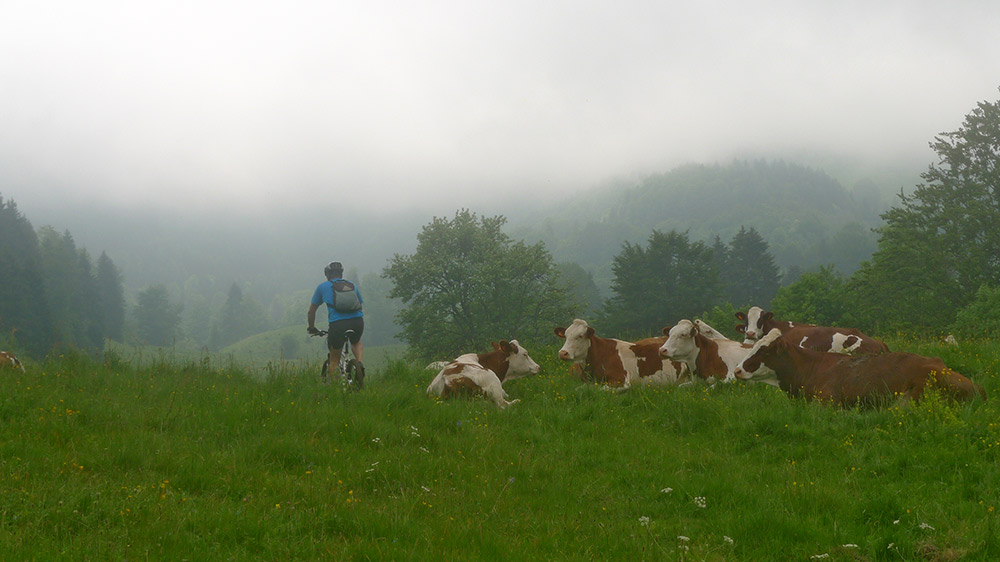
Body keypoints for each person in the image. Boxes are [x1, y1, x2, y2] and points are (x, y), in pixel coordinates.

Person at [307, 261, 364, 381]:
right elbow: (360, 306)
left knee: (334, 359)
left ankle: (336, 387)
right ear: (341, 274)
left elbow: (311, 312)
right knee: (356, 342)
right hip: (357, 321)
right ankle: (359, 363)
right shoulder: (351, 285)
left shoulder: (322, 287)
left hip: (338, 324)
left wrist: (312, 327)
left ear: (327, 274)